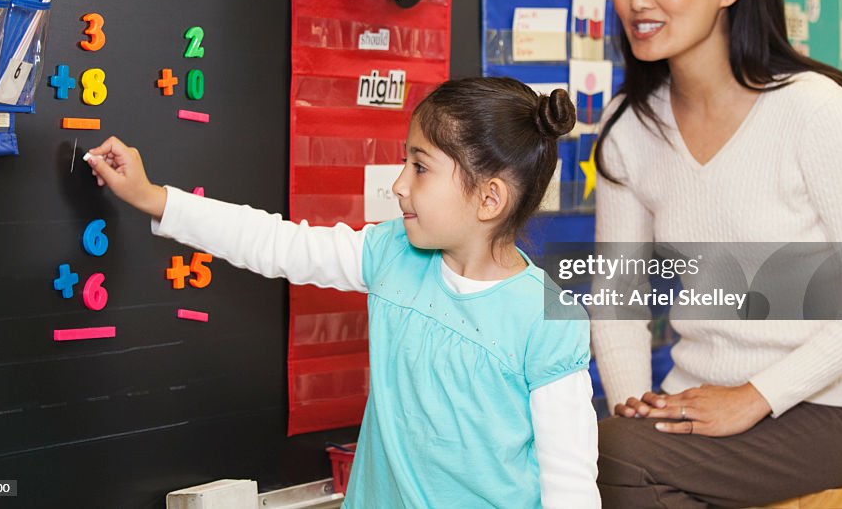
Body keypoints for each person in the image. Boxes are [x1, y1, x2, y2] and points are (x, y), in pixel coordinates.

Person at [84, 77, 601, 509]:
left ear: (489, 198)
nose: (399, 184)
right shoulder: (393, 253)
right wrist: (154, 199)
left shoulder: (545, 316)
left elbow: (570, 486)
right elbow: (278, 243)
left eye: (419, 167)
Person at [590, 0, 842, 508]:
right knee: (602, 449)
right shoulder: (630, 124)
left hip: (821, 411)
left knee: (615, 461)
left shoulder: (813, 110)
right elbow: (617, 299)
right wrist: (634, 411)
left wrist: (753, 398)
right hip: (697, 408)